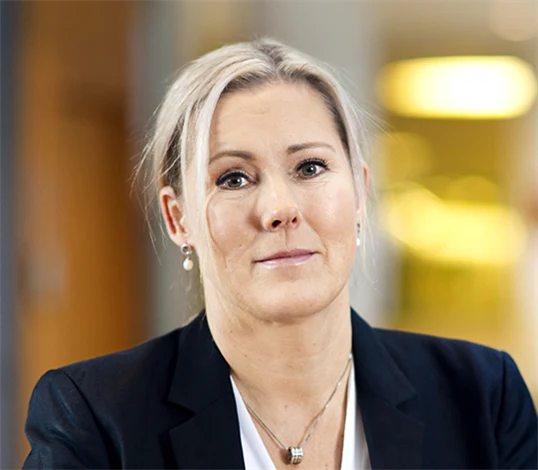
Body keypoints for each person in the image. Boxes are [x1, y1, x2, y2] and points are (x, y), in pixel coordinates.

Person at [23, 38, 538, 470]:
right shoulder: (95, 417)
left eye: (310, 168)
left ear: (360, 192)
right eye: (234, 178)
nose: (280, 209)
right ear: (178, 219)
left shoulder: (484, 396)